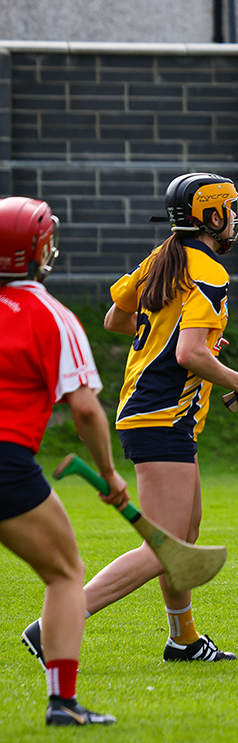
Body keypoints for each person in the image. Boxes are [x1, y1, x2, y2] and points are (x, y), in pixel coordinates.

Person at [23, 173, 238, 663]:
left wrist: (169, 327)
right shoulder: (209, 273)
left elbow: (116, 318)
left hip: (155, 412)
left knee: (186, 534)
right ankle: (53, 623)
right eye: (229, 208)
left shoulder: (164, 257)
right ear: (212, 216)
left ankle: (182, 639)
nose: (234, 219)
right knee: (166, 544)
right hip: (162, 412)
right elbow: (190, 354)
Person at [2, 196, 128, 725]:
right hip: (7, 467)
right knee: (64, 575)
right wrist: (108, 472)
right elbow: (85, 410)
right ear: (36, 250)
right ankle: (63, 703)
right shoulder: (52, 316)